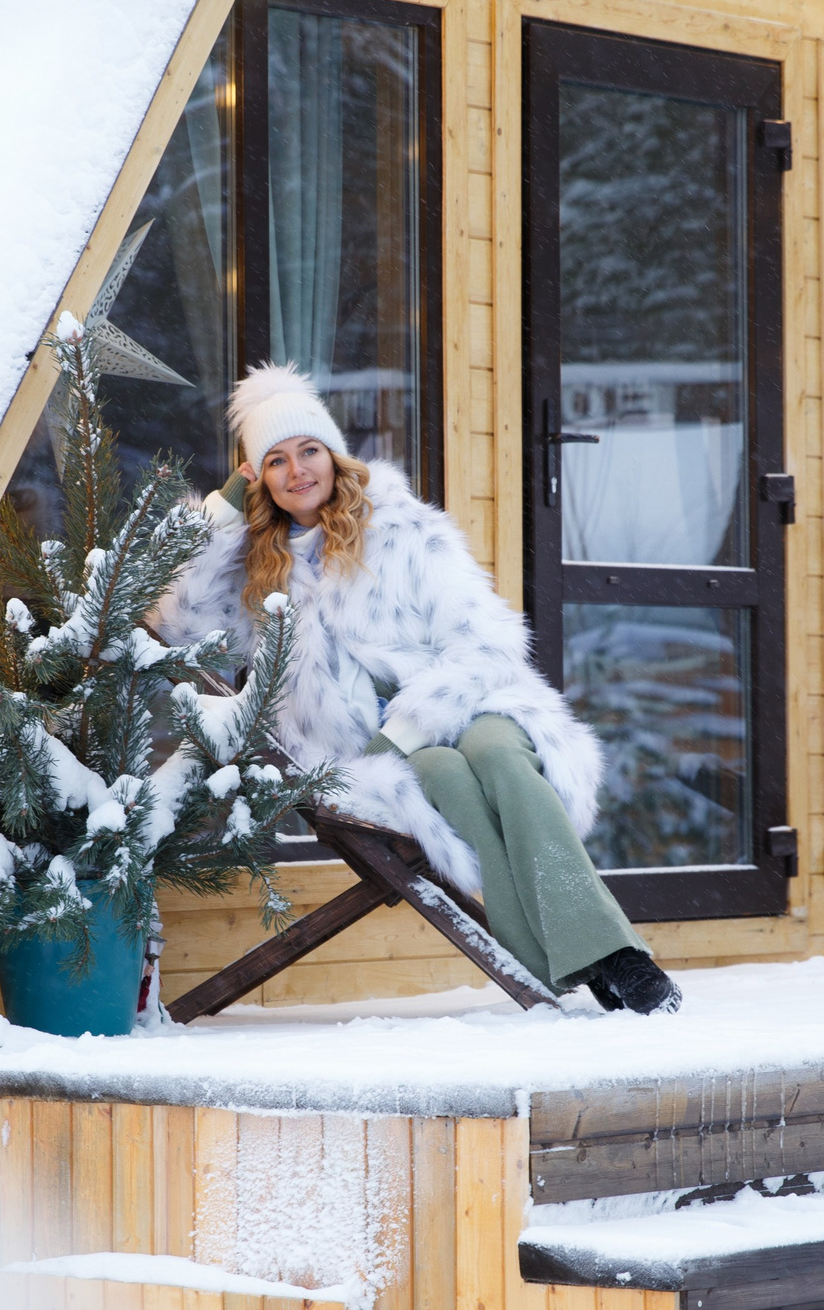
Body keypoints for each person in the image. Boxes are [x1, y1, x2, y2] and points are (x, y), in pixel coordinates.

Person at [154, 364, 679, 1014]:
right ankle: (593, 953)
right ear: (261, 477)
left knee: (497, 758)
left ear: (334, 455)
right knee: (449, 778)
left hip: (466, 701)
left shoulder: (402, 529)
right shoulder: (263, 568)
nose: (298, 471)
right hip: (368, 751)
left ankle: (613, 955)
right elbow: (177, 624)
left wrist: (418, 714)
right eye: (276, 461)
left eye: (309, 450)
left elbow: (486, 639)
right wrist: (226, 503)